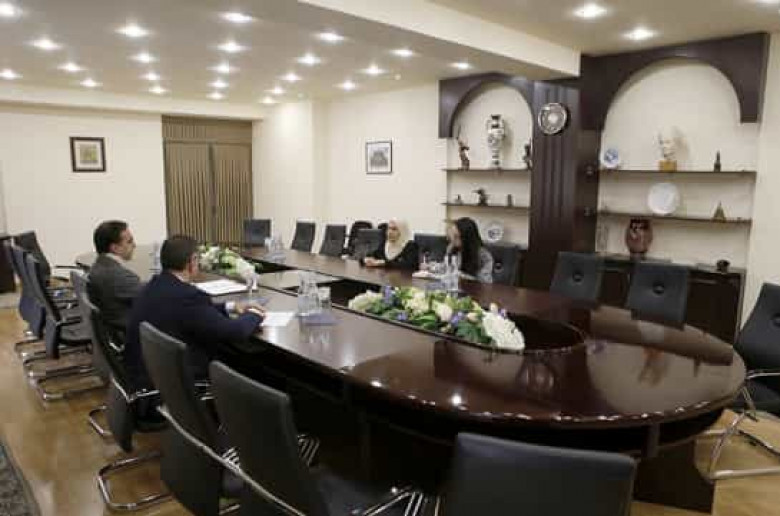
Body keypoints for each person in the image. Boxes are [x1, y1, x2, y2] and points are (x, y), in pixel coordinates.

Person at [124, 235, 265, 390]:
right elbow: (235, 331)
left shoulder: (153, 285)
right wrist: (255, 314)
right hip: (179, 381)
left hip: (147, 373)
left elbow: (191, 312)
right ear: (192, 261)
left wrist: (230, 306)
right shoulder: (188, 296)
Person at [87, 220, 141, 343]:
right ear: (115, 248)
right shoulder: (118, 277)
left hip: (112, 331)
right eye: (129, 241)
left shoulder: (99, 265)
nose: (134, 245)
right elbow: (152, 295)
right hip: (130, 336)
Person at [446, 217, 494, 283]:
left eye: (456, 237)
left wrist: (462, 275)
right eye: (452, 236)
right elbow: (448, 270)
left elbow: (485, 281)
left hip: (476, 288)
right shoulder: (452, 248)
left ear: (467, 238)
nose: (452, 240)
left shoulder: (484, 256)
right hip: (455, 286)